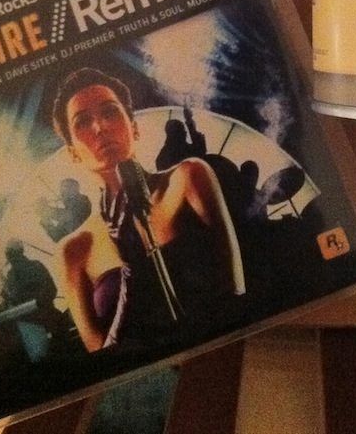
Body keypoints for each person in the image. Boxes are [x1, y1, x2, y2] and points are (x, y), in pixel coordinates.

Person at [53, 68, 245, 352]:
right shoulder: (74, 251)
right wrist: (130, 271)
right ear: (72, 153)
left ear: (134, 128)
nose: (100, 128)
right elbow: (103, 356)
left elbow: (236, 297)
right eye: (82, 122)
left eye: (110, 112)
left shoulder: (188, 179)